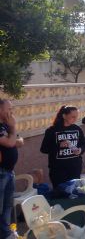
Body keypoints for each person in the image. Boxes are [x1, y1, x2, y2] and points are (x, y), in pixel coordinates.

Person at [40, 105, 85, 192]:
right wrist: (58, 145)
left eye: (76, 117)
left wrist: (80, 150)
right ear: (64, 116)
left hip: (75, 167)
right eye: (73, 117)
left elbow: (84, 144)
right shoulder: (52, 130)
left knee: (74, 192)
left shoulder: (77, 129)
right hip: (58, 169)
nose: (75, 119)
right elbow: (44, 149)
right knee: (60, 193)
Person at [0, 99, 23, 238]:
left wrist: (12, 136)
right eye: (9, 109)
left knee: (7, 206)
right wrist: (13, 129)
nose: (11, 112)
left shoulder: (6, 125)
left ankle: (6, 233)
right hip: (1, 172)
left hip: (9, 172)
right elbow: (10, 143)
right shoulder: (9, 126)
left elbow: (20, 141)